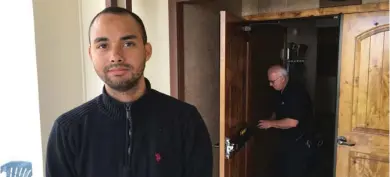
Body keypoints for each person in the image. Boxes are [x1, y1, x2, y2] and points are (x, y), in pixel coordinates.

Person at [45, 7, 213, 177]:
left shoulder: (185, 121)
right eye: (103, 45)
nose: (116, 56)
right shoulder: (68, 130)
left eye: (128, 44)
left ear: (147, 51)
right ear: (91, 54)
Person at [257, 65, 313, 177]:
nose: (270, 84)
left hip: (299, 142)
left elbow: (292, 122)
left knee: (293, 171)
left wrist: (270, 124)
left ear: (282, 79)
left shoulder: (296, 93)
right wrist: (272, 119)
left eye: (272, 81)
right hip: (286, 140)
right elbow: (278, 110)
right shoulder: (280, 91)